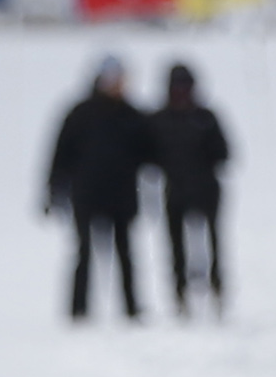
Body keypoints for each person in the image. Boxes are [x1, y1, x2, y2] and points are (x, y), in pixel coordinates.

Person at [44, 55, 150, 322]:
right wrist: (53, 189)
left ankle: (131, 308)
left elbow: (151, 152)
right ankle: (78, 311)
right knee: (83, 253)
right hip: (87, 195)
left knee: (125, 253)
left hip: (122, 195)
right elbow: (60, 154)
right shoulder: (80, 114)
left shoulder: (131, 115)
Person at [150, 62, 231, 318]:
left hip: (205, 188)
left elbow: (225, 152)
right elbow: (147, 152)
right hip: (175, 190)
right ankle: (180, 291)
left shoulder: (205, 118)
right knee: (176, 246)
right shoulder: (161, 119)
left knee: (212, 243)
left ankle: (216, 285)